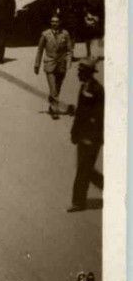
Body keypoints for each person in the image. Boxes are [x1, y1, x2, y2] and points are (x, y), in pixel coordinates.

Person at [69, 60, 104, 212]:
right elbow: (81, 113)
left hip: (92, 137)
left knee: (84, 169)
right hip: (83, 135)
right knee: (86, 169)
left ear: (87, 73)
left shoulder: (97, 89)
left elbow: (99, 115)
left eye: (80, 72)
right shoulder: (84, 86)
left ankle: (78, 202)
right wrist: (74, 132)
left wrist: (92, 137)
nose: (78, 74)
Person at [34, 13, 73, 118]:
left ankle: (52, 105)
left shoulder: (65, 34)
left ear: (60, 22)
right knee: (53, 88)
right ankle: (55, 110)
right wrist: (36, 65)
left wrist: (69, 61)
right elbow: (40, 50)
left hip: (61, 64)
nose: (54, 23)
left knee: (58, 87)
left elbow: (69, 50)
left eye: (56, 21)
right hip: (49, 63)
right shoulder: (45, 34)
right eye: (52, 21)